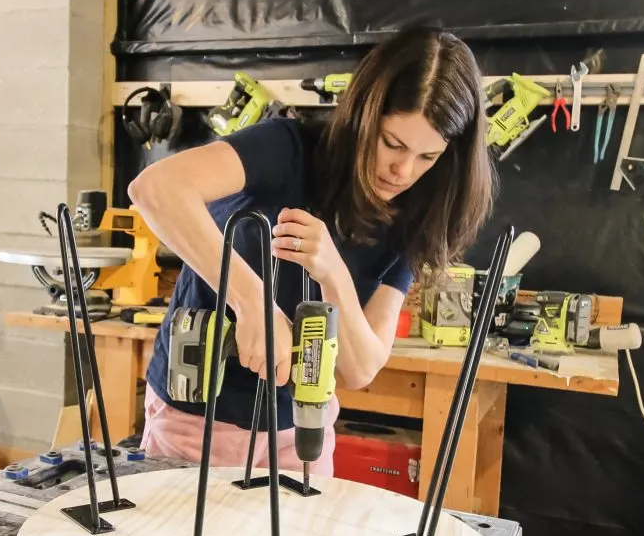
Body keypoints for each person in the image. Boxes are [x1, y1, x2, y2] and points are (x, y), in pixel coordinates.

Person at [127, 25, 497, 476]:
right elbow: (155, 188)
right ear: (364, 114)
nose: (403, 170)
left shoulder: (415, 215)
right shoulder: (287, 149)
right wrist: (253, 301)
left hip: (302, 427)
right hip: (199, 419)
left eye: (428, 157)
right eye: (393, 143)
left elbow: (360, 369)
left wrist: (334, 274)